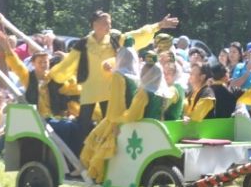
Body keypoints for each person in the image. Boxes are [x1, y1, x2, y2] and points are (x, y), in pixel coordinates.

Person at [49, 10, 178, 144]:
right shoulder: (83, 44)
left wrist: (158, 25)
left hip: (109, 91)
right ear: (95, 25)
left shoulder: (114, 39)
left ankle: (107, 154)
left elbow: (135, 36)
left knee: (108, 126)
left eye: (110, 23)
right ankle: (81, 155)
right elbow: (69, 63)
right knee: (83, 127)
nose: (109, 26)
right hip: (89, 91)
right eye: (105, 23)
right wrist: (52, 75)